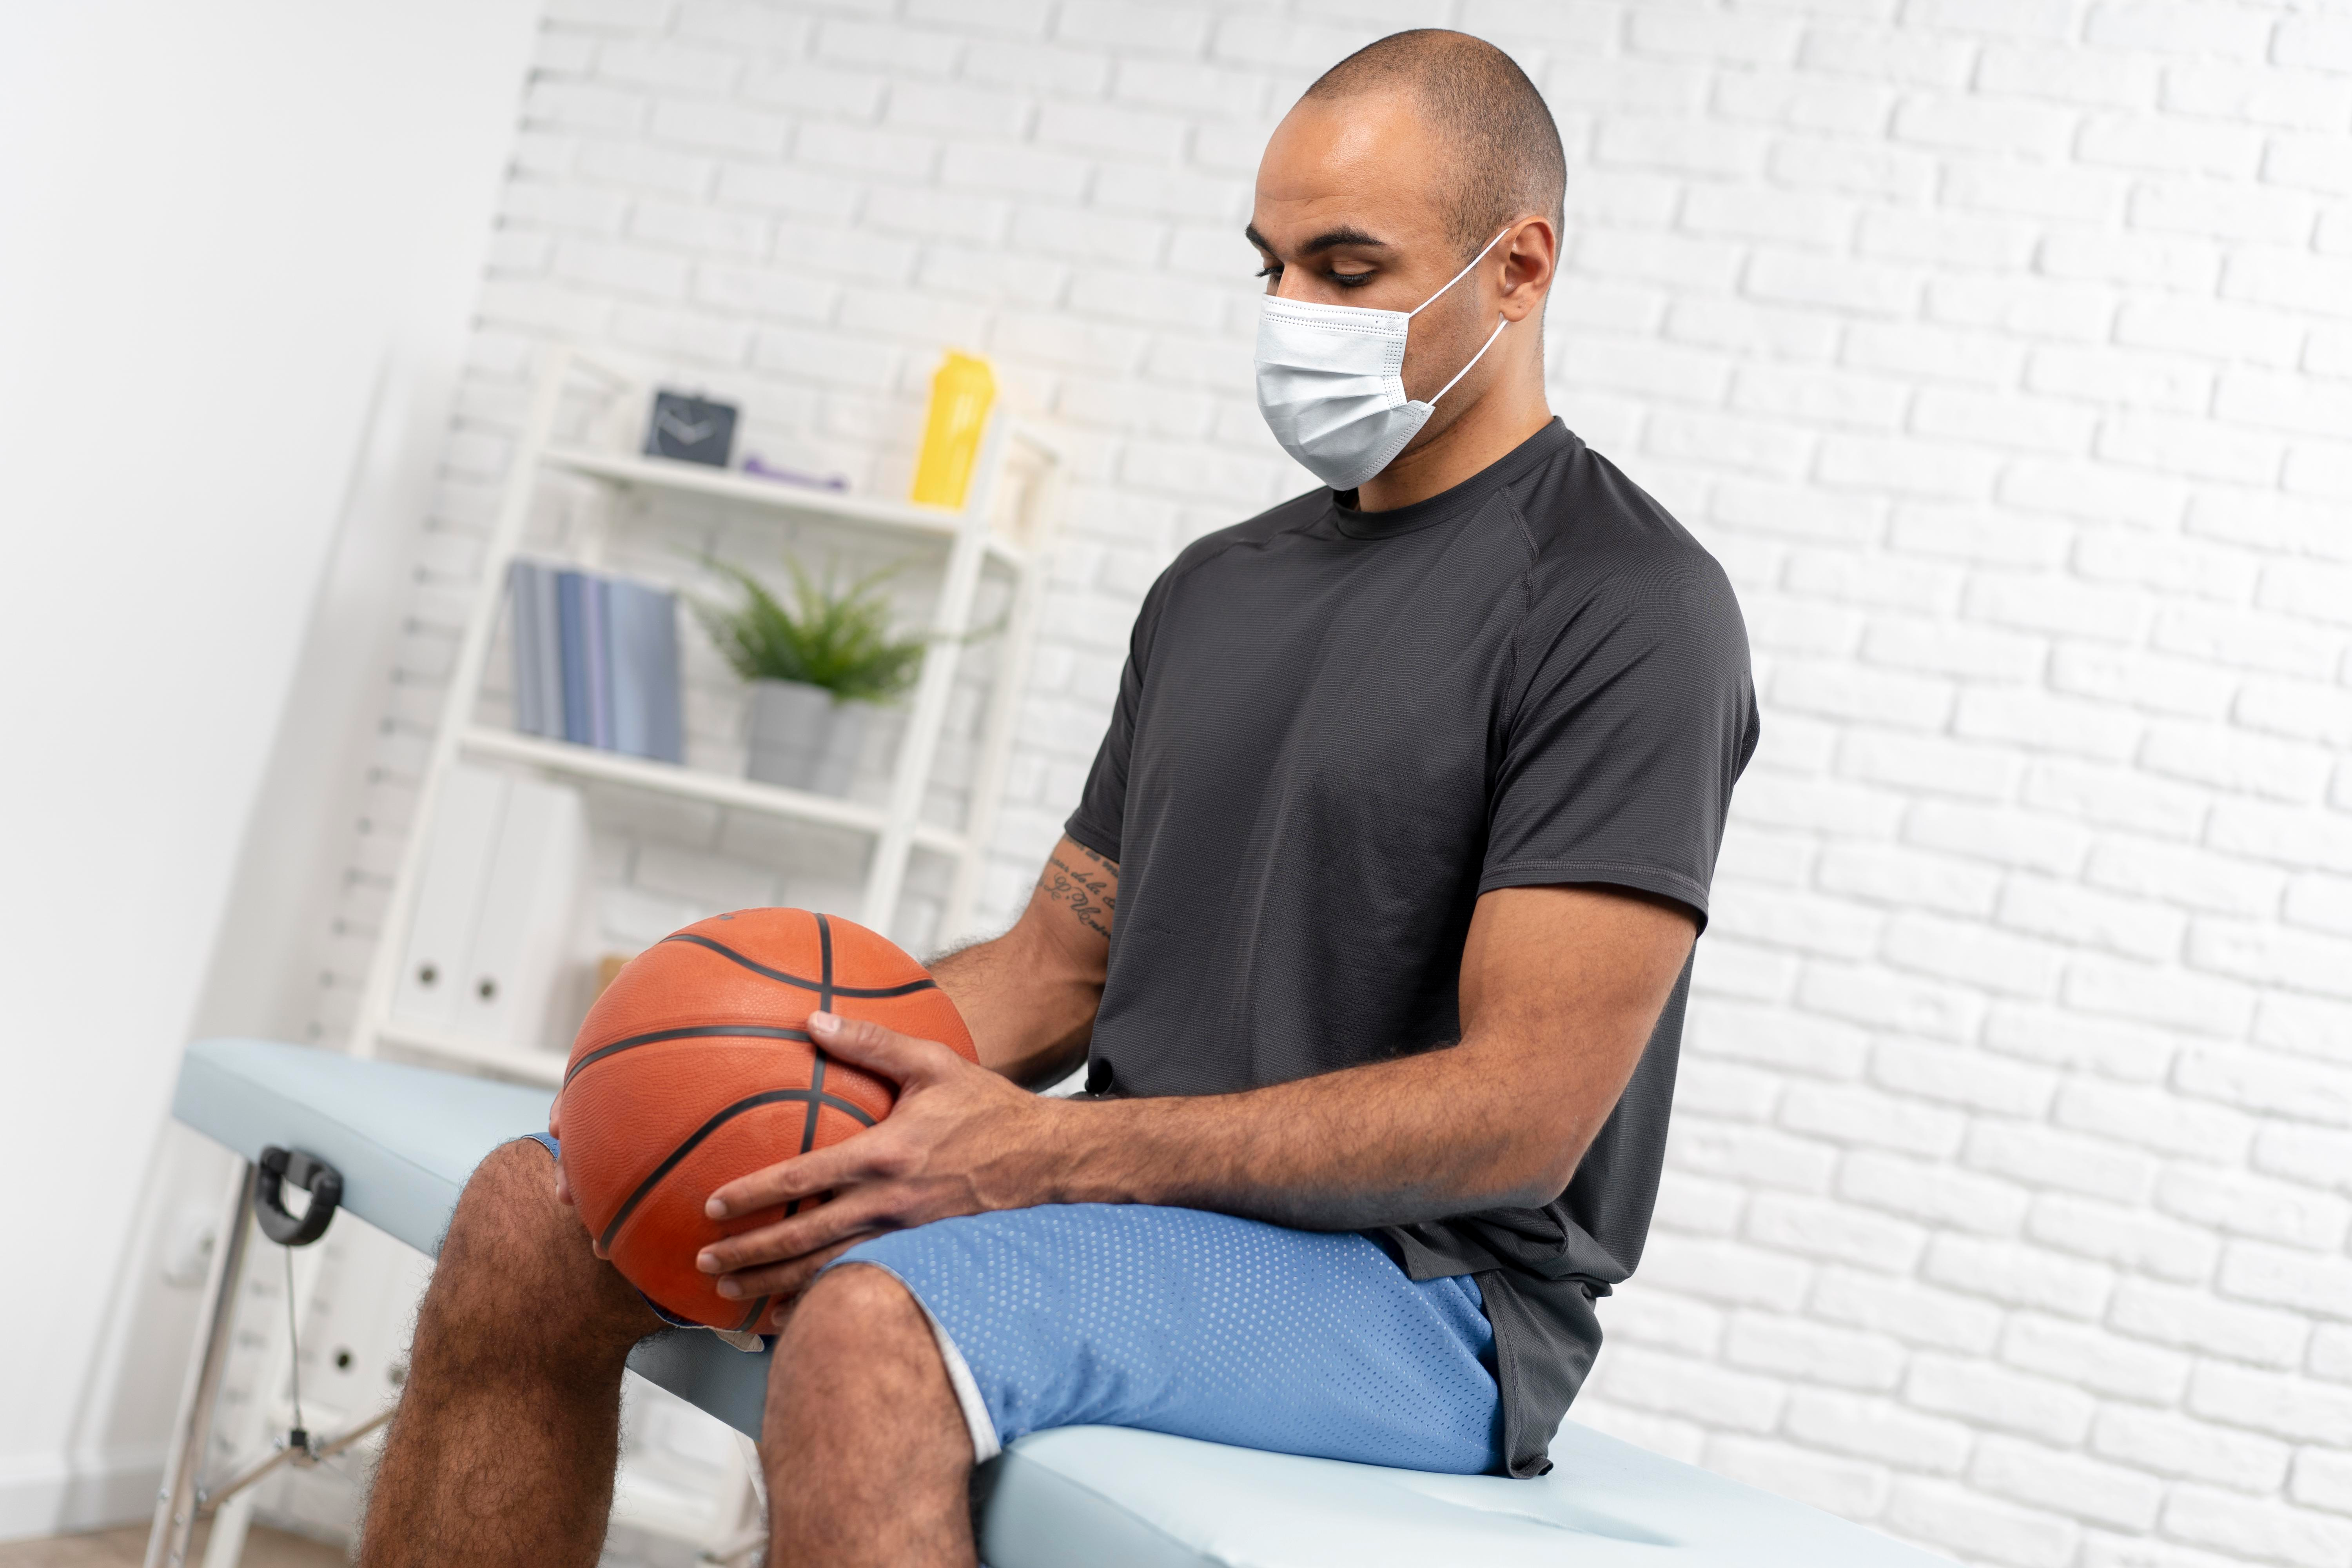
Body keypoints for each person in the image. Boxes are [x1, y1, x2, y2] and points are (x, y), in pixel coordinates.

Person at [358, 27, 1757, 1568]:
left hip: (1420, 1293)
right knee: (531, 1213)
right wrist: (722, 1059)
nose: (1295, 315)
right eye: (1270, 267)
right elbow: (1050, 972)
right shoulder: (1220, 589)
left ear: (1519, 267)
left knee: (869, 1326)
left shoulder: (1629, 607)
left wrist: (1042, 1155)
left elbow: (1523, 1117)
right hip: (1128, 1212)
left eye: (1349, 271)